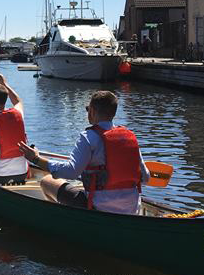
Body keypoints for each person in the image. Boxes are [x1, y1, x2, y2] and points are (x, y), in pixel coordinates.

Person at [17, 91, 150, 215]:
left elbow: (71, 172)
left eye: (87, 109)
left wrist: (36, 159)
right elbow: (146, 178)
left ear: (91, 111)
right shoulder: (129, 137)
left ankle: (62, 219)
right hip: (132, 209)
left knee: (47, 181)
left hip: (99, 207)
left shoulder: (88, 137)